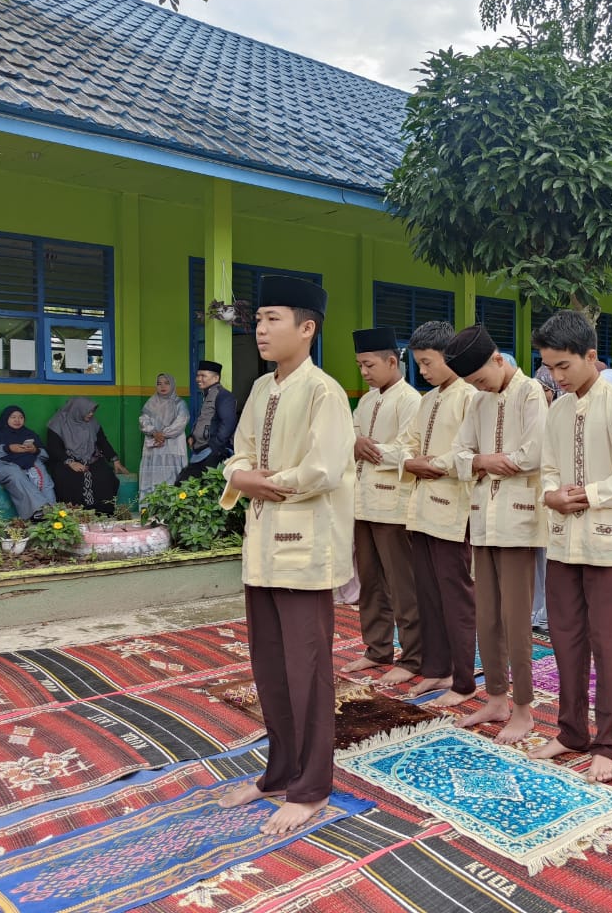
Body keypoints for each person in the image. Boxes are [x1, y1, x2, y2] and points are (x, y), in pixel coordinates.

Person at [216, 275, 355, 835]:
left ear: (307, 327)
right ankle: (278, 774)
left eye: (273, 318)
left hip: (305, 548)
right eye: (258, 319)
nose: (261, 328)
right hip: (262, 545)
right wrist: (243, 475)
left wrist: (266, 481)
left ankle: (312, 786)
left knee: (308, 669)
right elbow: (238, 453)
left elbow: (324, 468)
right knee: (270, 669)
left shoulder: (326, 391)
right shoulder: (259, 389)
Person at [530, 310, 612, 783]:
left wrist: (586, 496)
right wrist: (552, 494)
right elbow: (549, 469)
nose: (556, 378)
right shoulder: (556, 411)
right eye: (549, 368)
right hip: (563, 545)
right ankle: (571, 731)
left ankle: (607, 743)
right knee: (566, 640)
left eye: (564, 367)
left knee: (610, 644)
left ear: (591, 357)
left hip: (609, 547)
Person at [447, 324, 548, 744]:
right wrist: (485, 460)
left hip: (519, 521)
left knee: (515, 619)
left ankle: (523, 708)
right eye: (470, 384)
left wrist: (480, 460)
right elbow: (457, 455)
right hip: (483, 518)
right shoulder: (477, 400)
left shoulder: (530, 394)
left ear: (497, 359)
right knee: (486, 616)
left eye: (480, 378)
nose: (477, 387)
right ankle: (495, 697)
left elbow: (532, 455)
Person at [400, 321, 478, 706]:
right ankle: (437, 669)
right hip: (421, 509)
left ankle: (464, 680)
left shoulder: (469, 396)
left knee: (455, 596)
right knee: (427, 594)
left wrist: (435, 464)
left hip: (453, 510)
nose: (424, 372)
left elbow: (468, 449)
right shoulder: (427, 400)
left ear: (450, 357)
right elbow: (408, 445)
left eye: (428, 363)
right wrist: (413, 461)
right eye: (419, 364)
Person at [343, 328, 423, 685]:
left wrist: (369, 447)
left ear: (393, 361)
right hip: (363, 503)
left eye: (369, 364)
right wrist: (356, 443)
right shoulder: (366, 401)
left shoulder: (411, 401)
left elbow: (409, 451)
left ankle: (414, 656)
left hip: (394, 506)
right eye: (360, 365)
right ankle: (376, 649)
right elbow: (351, 440)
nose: (364, 372)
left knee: (402, 583)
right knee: (370, 581)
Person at [47, 397, 128, 514]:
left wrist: (115, 459)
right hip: (66, 460)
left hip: (91, 459)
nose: (91, 414)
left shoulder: (92, 423)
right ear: (77, 410)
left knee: (105, 476)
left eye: (93, 411)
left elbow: (102, 441)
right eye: (88, 411)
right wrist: (71, 463)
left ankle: (102, 513)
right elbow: (54, 448)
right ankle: (74, 514)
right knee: (67, 479)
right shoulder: (58, 423)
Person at [532, 365, 563, 630]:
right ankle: (537, 608)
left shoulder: (561, 415)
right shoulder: (532, 415)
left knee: (552, 558)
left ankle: (548, 611)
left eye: (546, 389)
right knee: (536, 558)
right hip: (536, 497)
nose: (542, 394)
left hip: (557, 497)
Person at [0, 406, 56, 519]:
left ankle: (53, 511)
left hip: (27, 461)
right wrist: (7, 449)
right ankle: (39, 510)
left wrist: (34, 450)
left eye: (21, 417)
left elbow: (45, 455)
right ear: (5, 418)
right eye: (13, 417)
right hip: (2, 464)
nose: (17, 420)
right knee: (15, 473)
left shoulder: (29, 434)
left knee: (40, 470)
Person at [176, 360, 237, 482]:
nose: (199, 379)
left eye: (203, 376)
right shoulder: (207, 395)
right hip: (201, 450)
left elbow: (228, 422)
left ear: (216, 377)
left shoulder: (223, 395)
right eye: (198, 375)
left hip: (213, 452)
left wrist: (215, 446)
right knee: (186, 484)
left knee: (192, 485)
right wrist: (192, 436)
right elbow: (205, 420)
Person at [138, 372, 190, 498]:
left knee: (173, 477)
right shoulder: (151, 403)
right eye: (159, 383)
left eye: (166, 383)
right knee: (153, 477)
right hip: (155, 448)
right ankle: (151, 509)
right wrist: (154, 432)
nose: (163, 386)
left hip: (173, 447)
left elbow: (181, 422)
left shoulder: (179, 404)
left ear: (172, 385)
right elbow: (143, 420)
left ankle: (173, 509)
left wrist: (162, 434)